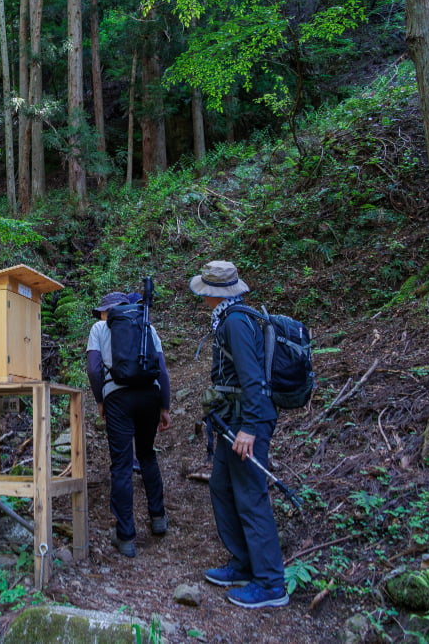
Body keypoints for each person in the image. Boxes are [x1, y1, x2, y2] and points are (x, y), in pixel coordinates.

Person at [190, 260, 288, 608]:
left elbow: (252, 378)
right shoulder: (229, 318)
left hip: (246, 422)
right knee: (222, 485)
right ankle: (244, 563)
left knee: (250, 496)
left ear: (215, 293)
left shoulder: (235, 322)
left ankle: (271, 583)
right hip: (230, 421)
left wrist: (250, 427)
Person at [86, 291, 171, 558]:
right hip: (150, 395)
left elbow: (93, 368)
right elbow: (162, 368)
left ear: (107, 311)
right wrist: (165, 406)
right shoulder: (145, 323)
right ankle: (158, 518)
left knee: (122, 465)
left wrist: (101, 400)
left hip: (118, 398)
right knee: (146, 455)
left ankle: (126, 537)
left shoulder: (100, 327)